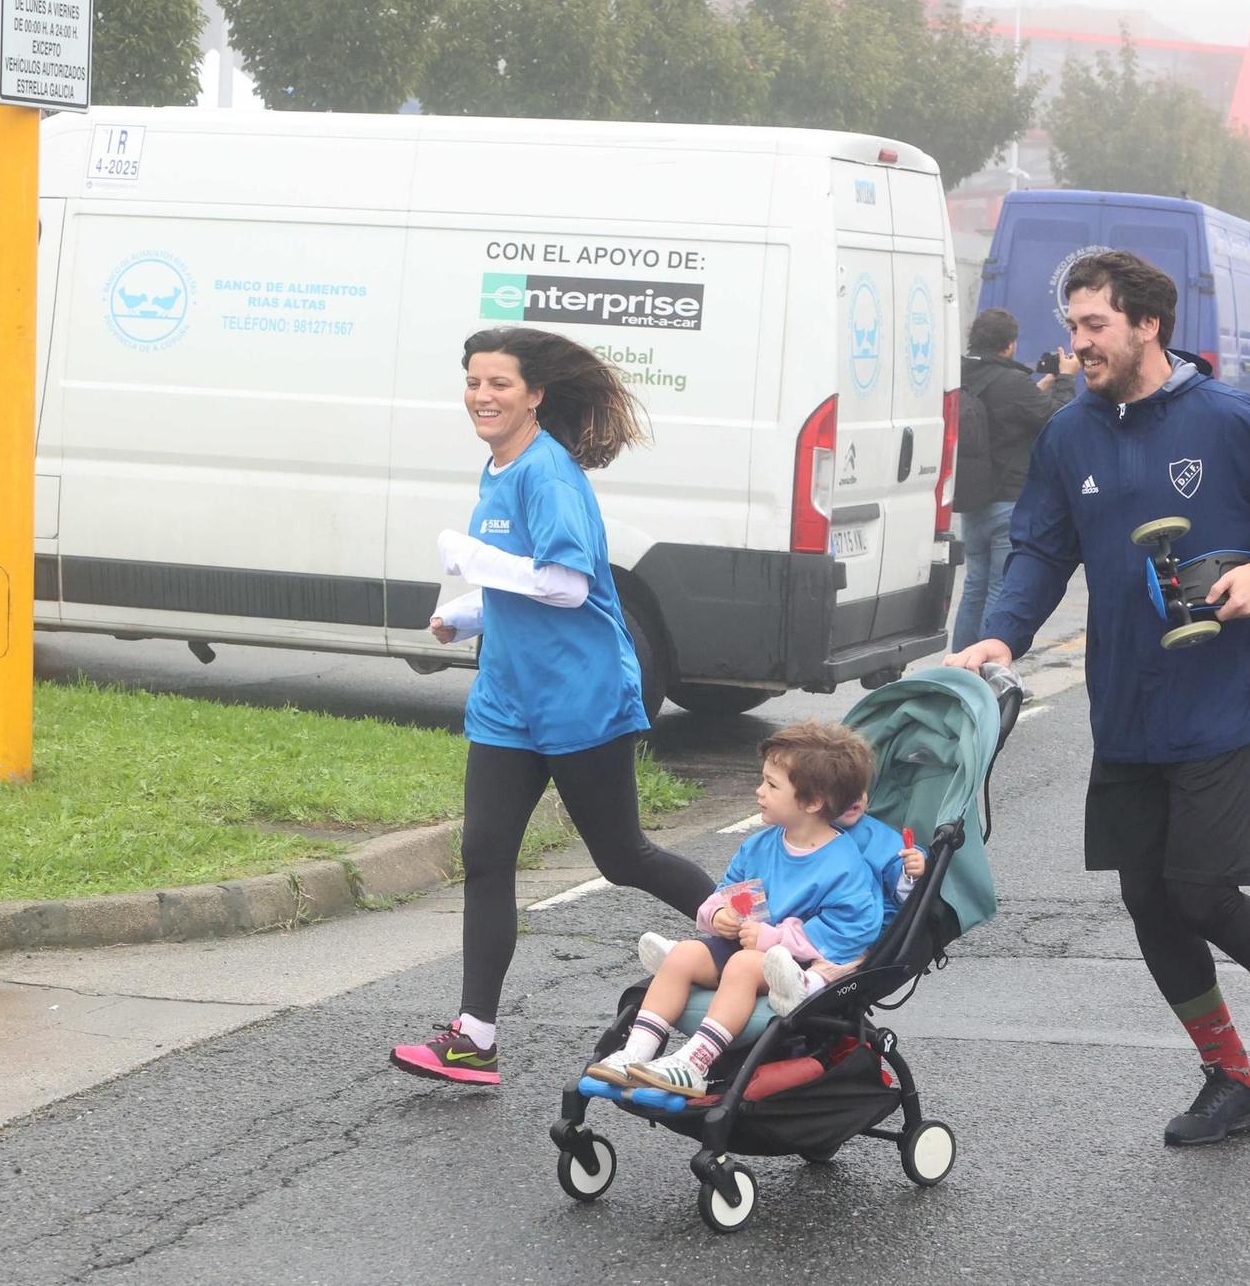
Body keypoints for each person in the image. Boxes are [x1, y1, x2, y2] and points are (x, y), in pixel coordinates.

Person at [947, 251, 1250, 1148]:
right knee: (1147, 898)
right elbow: (1043, 552)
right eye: (1074, 324)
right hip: (1126, 702)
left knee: (1200, 891)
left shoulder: (1231, 420)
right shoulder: (1068, 434)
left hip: (1224, 696)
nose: (1077, 342)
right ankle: (1232, 1077)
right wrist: (1002, 633)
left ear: (1147, 326)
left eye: (1095, 325)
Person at [388, 327, 715, 1087]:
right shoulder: (499, 468)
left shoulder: (550, 474)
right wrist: (465, 613)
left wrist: (467, 558)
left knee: (622, 856)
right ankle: (473, 1037)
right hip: (508, 702)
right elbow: (524, 578)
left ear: (534, 393)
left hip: (578, 699)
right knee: (486, 854)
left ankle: (748, 934)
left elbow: (567, 583)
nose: (482, 395)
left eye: (498, 382)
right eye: (473, 381)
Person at [586, 721, 887, 1097]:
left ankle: (693, 1063)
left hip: (798, 967)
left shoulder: (843, 865)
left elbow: (852, 930)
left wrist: (773, 938)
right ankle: (634, 1054)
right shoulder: (759, 847)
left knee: (746, 964)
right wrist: (718, 915)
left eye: (772, 785)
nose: (759, 792)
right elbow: (730, 893)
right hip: (748, 945)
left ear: (812, 802)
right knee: (684, 955)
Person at [635, 796, 927, 1016]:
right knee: (745, 918)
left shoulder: (877, 838)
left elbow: (899, 893)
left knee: (838, 963)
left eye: (861, 790)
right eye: (844, 791)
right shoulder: (791, 835)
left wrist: (910, 870)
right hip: (783, 928)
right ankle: (691, 958)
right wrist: (721, 914)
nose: (855, 798)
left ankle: (804, 985)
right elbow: (751, 884)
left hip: (851, 934)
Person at [951, 308, 1075, 653]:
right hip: (1008, 499)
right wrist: (1065, 379)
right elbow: (1057, 418)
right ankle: (989, 673)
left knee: (975, 585)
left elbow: (1010, 409)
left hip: (973, 499)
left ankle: (961, 669)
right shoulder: (1011, 383)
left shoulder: (962, 374)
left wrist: (1042, 385)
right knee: (999, 588)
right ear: (1010, 345)